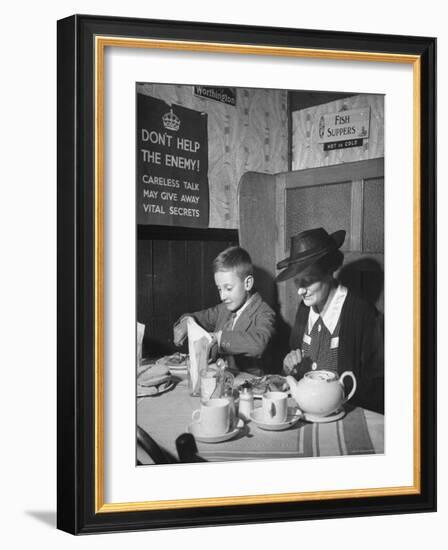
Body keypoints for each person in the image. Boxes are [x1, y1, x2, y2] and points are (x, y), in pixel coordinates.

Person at [276, 228, 384, 413]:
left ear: (329, 273)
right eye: (297, 281)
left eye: (308, 281)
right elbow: (297, 364)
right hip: (308, 412)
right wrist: (290, 367)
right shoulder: (305, 309)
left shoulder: (362, 314)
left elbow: (379, 386)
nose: (300, 291)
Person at [173, 246, 275, 375]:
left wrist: (218, 338)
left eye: (228, 288)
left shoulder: (264, 312)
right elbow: (197, 317)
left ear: (247, 283)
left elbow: (259, 343)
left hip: (248, 387)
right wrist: (185, 323)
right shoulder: (224, 309)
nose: (222, 296)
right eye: (219, 289)